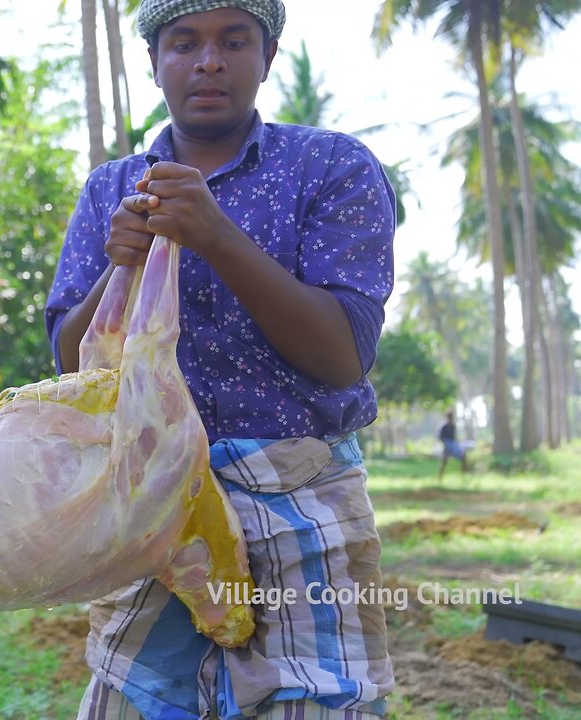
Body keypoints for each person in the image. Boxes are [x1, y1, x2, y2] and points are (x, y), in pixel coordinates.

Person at [45, 1, 396, 718]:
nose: (209, 61)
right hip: (149, 510)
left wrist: (215, 234)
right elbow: (72, 362)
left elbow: (342, 357)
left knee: (314, 702)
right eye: (184, 43)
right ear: (154, 63)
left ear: (266, 59)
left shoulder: (332, 166)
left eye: (234, 41)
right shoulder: (113, 189)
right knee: (137, 698)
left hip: (301, 500)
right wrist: (122, 267)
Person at [438, 410, 469, 479]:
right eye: (450, 417)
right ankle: (440, 476)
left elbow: (454, 437)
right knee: (444, 462)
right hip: (447, 445)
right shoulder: (444, 426)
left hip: (453, 444)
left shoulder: (453, 426)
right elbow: (440, 437)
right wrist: (446, 445)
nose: (451, 418)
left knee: (463, 457)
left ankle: (463, 476)